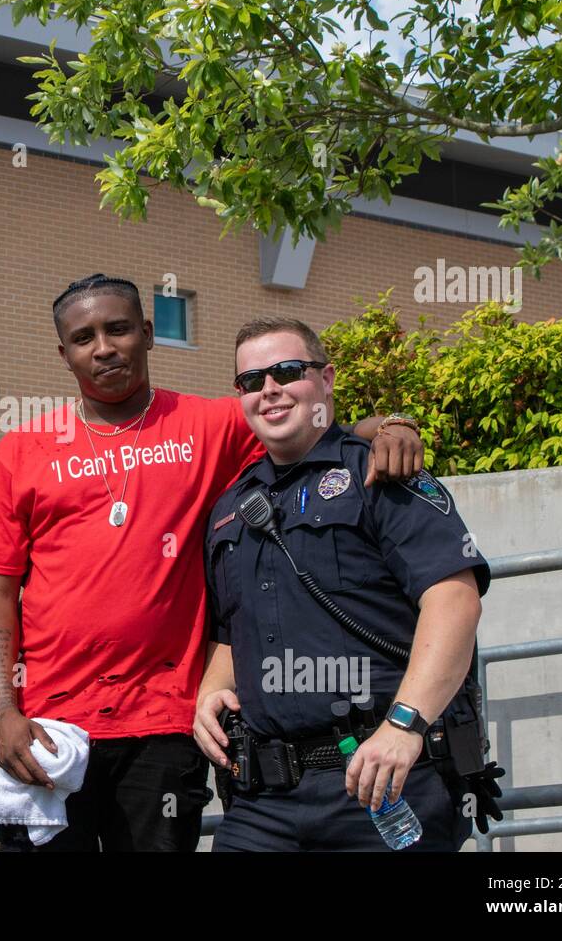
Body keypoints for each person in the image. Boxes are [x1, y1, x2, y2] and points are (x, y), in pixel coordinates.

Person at [0, 274, 427, 852]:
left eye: (118, 328)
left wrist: (388, 428)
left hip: (164, 727)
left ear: (149, 334)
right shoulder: (20, 452)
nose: (104, 346)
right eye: (84, 337)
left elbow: (311, 430)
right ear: (64, 354)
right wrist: (3, 714)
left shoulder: (210, 425)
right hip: (48, 728)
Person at [196, 316, 490, 851]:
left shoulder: (382, 475)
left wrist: (404, 726)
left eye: (288, 370)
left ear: (326, 380)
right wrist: (212, 688)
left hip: (382, 782)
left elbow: (455, 602)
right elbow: (228, 630)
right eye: (251, 379)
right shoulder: (228, 510)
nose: (270, 389)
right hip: (263, 801)